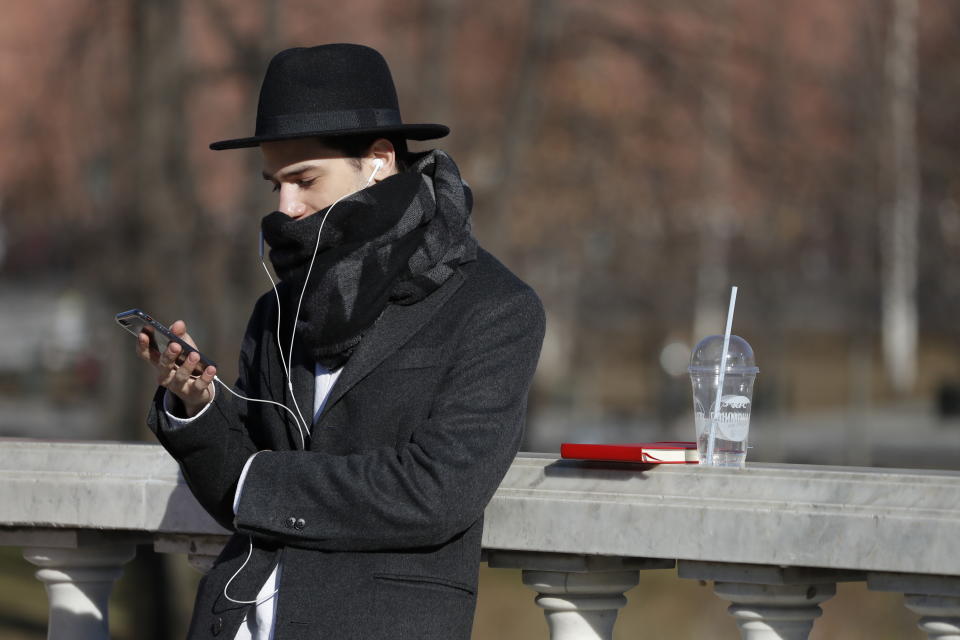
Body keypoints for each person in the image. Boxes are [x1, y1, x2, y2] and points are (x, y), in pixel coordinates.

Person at [137, 44, 544, 640]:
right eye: (273, 184)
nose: (285, 207)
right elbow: (235, 491)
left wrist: (260, 482)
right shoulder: (276, 308)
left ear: (378, 161)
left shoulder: (494, 307)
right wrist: (197, 406)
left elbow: (436, 492)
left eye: (304, 180)